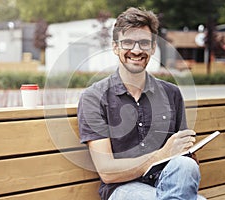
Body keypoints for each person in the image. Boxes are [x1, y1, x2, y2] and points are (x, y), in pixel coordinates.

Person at [78, 7, 205, 200]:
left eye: (144, 43)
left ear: (153, 48)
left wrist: (187, 153)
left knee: (186, 166)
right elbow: (107, 172)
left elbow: (181, 155)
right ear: (115, 47)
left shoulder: (172, 94)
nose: (136, 50)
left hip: (167, 180)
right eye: (128, 42)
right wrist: (161, 154)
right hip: (121, 189)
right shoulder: (94, 98)